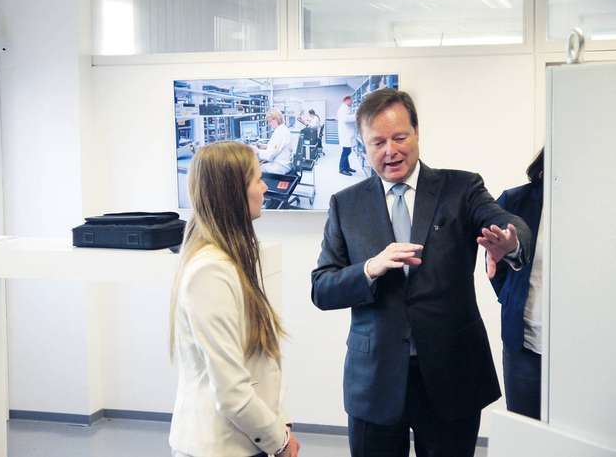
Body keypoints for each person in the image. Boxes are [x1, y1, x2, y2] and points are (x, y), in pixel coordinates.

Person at [311, 88, 531, 457]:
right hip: (375, 379)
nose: (390, 151)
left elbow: (509, 224)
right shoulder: (345, 205)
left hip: (451, 373)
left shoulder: (461, 188)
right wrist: (368, 269)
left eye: (399, 137)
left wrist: (509, 243)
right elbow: (322, 288)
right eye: (377, 142)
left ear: (417, 132)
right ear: (363, 145)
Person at [169, 141, 300, 457]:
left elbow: (257, 362)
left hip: (243, 441)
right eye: (257, 179)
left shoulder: (231, 261)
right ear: (233, 193)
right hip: (218, 447)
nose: (265, 187)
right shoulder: (210, 272)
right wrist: (278, 441)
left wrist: (280, 422)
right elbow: (231, 391)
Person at [488, 148, 544, 420]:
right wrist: (510, 297)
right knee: (527, 436)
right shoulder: (516, 200)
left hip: (583, 349)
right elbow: (495, 261)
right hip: (524, 346)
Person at [256, 109, 293, 174]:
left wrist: (256, 151)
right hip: (282, 163)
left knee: (253, 168)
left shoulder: (280, 133)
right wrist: (264, 146)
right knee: (260, 164)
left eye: (270, 121)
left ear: (275, 119)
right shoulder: (282, 129)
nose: (269, 124)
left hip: (280, 166)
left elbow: (270, 155)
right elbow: (276, 148)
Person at [336, 95, 356, 176]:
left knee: (347, 151)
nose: (352, 102)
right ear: (346, 100)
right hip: (346, 134)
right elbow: (346, 119)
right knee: (346, 151)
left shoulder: (346, 108)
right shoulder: (343, 108)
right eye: (351, 100)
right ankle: (342, 169)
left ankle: (347, 167)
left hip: (347, 134)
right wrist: (356, 115)